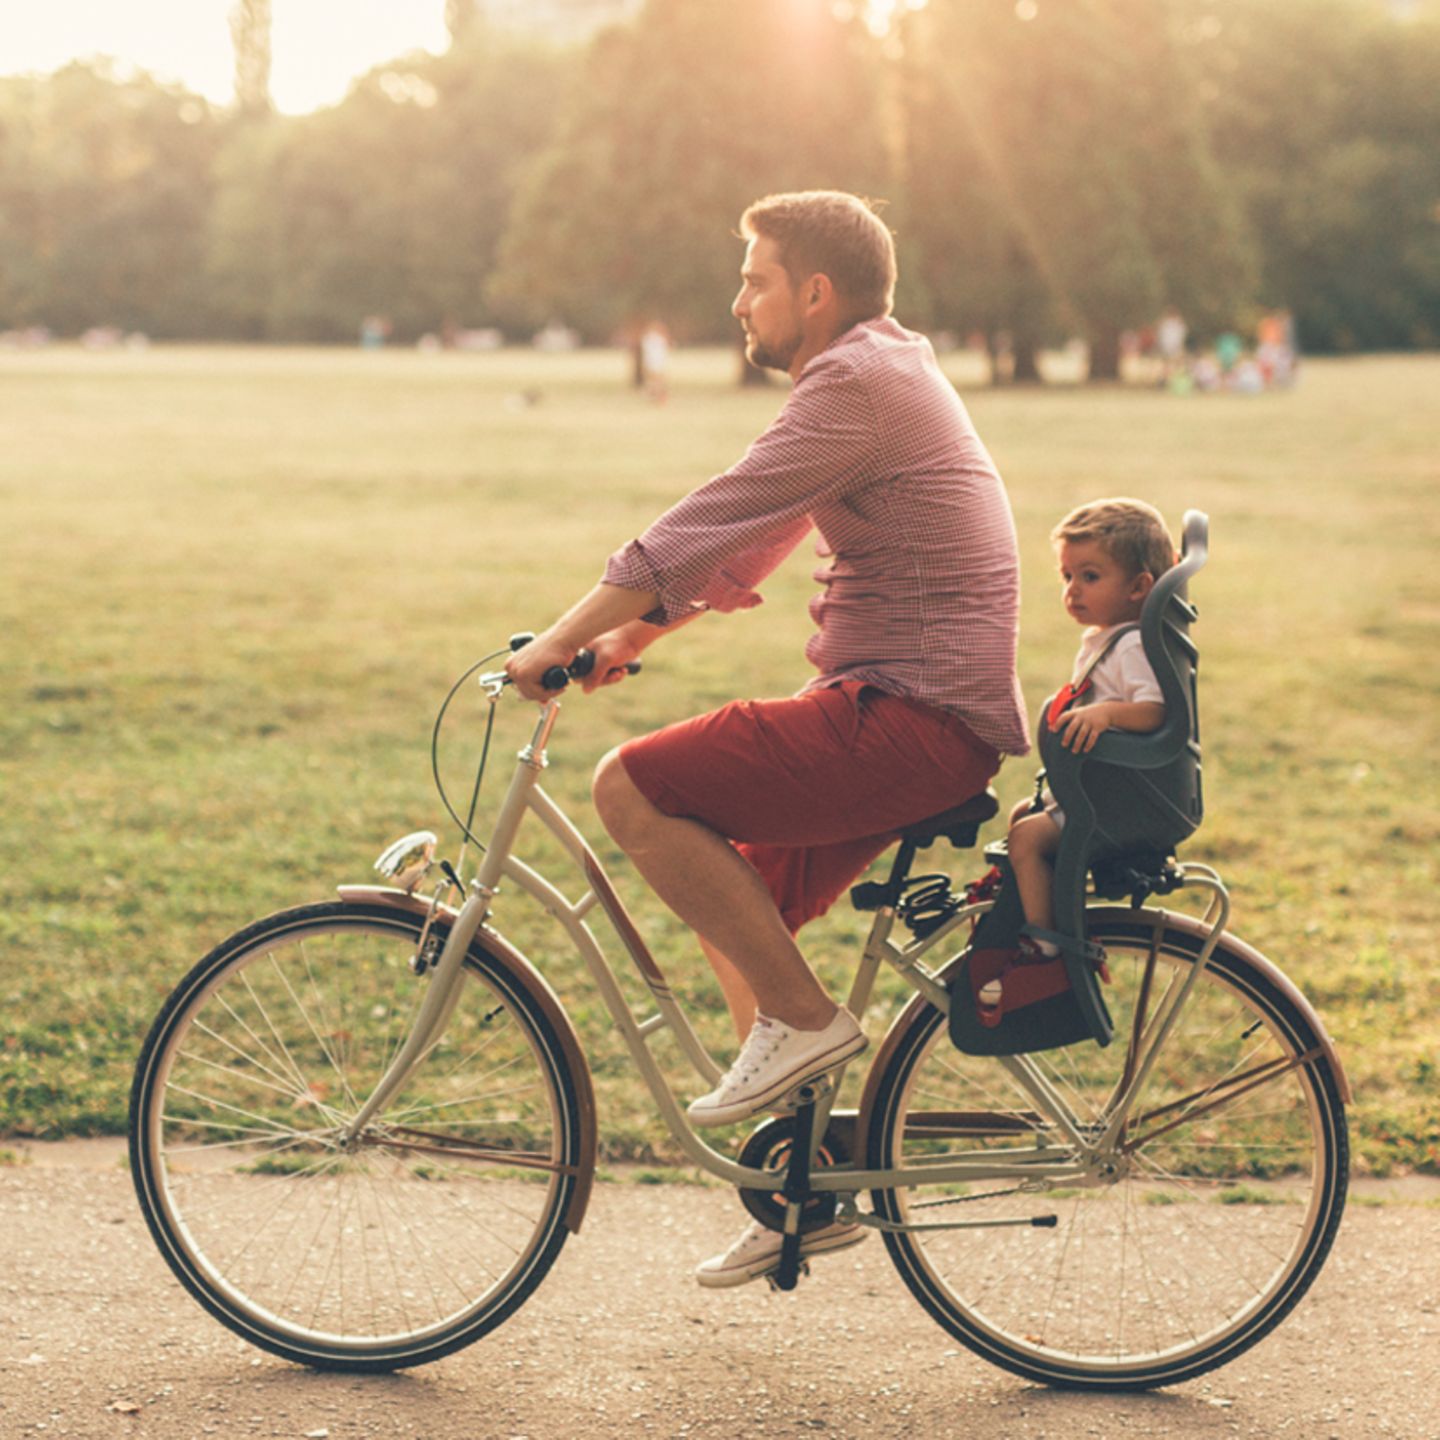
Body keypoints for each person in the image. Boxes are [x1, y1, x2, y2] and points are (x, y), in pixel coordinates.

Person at [506, 190, 1030, 1286]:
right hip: (916, 716)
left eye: (753, 277)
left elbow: (711, 514)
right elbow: (759, 535)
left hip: (908, 718)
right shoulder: (878, 373)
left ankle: (804, 1023)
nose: (737, 298)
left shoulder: (856, 380)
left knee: (632, 791)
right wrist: (630, 638)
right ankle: (794, 1181)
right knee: (738, 901)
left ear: (815, 291)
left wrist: (554, 639)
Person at [997, 500, 1173, 1013]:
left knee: (1027, 838)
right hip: (1098, 787)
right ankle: (1036, 905)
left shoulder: (1133, 645)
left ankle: (1045, 946)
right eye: (1067, 575)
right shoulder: (1109, 638)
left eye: (1090, 576)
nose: (1072, 590)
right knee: (1020, 821)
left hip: (1114, 799)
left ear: (1138, 587)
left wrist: (1107, 715)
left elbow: (1155, 711)